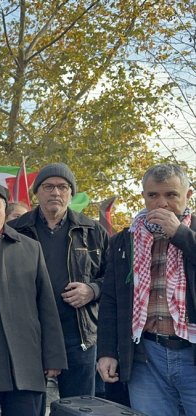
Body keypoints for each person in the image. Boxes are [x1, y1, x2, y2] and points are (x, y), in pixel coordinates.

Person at [0, 182, 66, 416]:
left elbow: (46, 305)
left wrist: (53, 356)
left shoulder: (29, 248)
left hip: (26, 366)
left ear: (5, 210)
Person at [97, 164, 195, 416]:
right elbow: (110, 299)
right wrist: (107, 352)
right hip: (146, 357)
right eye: (153, 195)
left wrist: (181, 235)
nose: (162, 203)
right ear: (143, 196)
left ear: (188, 195)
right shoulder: (124, 239)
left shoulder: (190, 232)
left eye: (171, 195)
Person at [8, 163, 108, 398]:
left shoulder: (93, 231)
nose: (56, 193)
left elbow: (113, 280)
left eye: (63, 187)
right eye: (48, 186)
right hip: (29, 332)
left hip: (78, 332)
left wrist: (92, 290)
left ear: (71, 193)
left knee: (78, 406)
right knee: (26, 403)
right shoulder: (14, 231)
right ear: (37, 193)